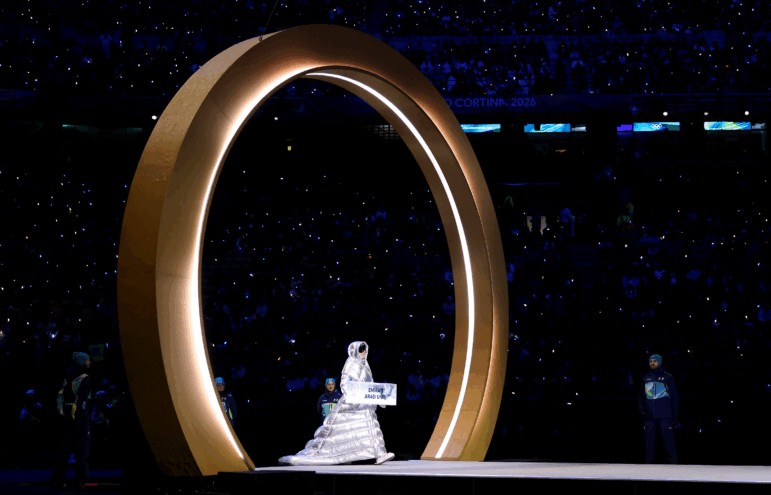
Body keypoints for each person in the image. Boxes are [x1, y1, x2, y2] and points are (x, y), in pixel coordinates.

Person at [279, 341, 395, 465]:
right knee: (355, 429)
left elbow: (370, 385)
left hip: (364, 403)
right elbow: (345, 383)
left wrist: (379, 397)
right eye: (361, 350)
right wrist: (355, 396)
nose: (364, 352)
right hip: (354, 403)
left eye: (365, 350)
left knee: (369, 427)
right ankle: (376, 454)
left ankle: (379, 454)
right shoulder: (352, 363)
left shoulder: (364, 364)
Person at [52, 352, 92, 490]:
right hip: (80, 419)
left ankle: (57, 481)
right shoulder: (84, 378)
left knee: (63, 451)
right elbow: (81, 399)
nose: (90, 362)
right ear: (82, 361)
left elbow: (59, 397)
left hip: (66, 419)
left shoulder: (66, 377)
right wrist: (77, 415)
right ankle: (83, 482)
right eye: (87, 360)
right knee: (82, 452)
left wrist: (63, 413)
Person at [638, 354, 680, 464]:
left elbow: (675, 398)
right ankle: (648, 469)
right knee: (649, 445)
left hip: (665, 416)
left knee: (668, 443)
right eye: (650, 361)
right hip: (649, 417)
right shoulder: (645, 378)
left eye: (654, 361)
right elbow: (640, 397)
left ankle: (674, 466)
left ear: (659, 363)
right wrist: (643, 412)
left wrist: (674, 417)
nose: (652, 363)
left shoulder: (667, 377)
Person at [18, 390, 43, 469]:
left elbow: (40, 417)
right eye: (28, 395)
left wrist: (34, 418)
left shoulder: (37, 405)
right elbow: (22, 417)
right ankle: (25, 464)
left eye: (31, 395)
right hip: (27, 429)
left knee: (34, 447)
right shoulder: (25, 405)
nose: (30, 397)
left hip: (35, 429)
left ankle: (36, 464)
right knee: (26, 447)